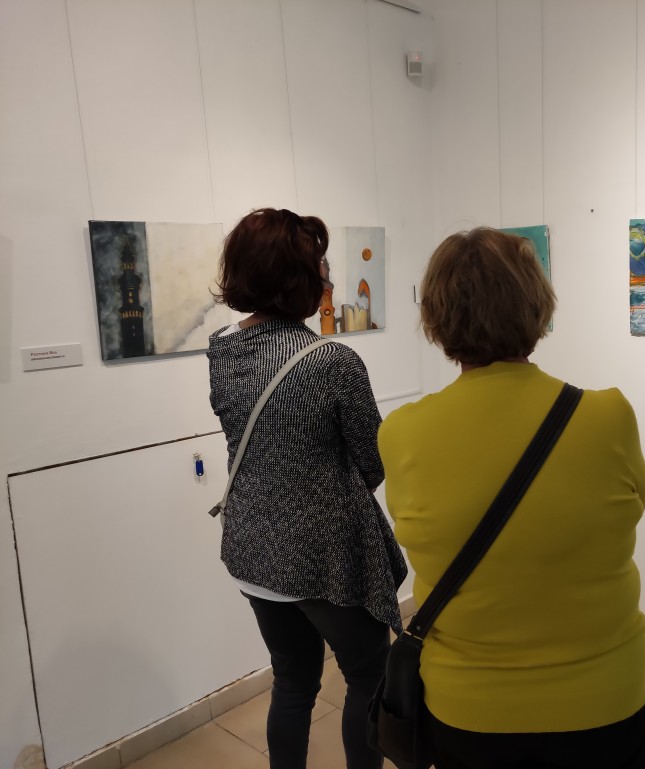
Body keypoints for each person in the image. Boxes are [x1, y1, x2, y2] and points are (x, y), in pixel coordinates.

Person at [378, 227, 645, 769]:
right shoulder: (608, 417)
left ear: (435, 318)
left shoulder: (403, 433)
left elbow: (417, 532)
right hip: (603, 697)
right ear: (537, 306)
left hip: (469, 709)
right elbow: (632, 508)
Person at [207, 208, 407, 769]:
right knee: (368, 674)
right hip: (322, 559)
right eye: (320, 264)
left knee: (293, 680)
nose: (327, 274)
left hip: (252, 547)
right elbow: (373, 461)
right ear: (296, 277)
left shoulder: (222, 351)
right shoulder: (332, 361)